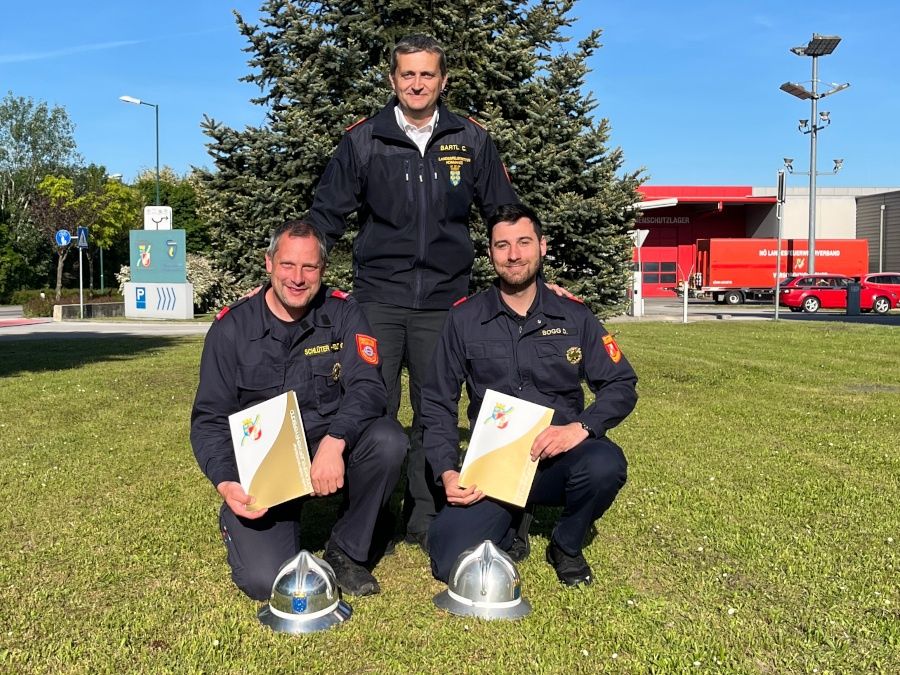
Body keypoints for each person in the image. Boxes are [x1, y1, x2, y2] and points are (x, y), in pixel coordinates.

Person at [308, 34, 518, 549]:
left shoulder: (472, 139)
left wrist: (527, 273)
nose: (417, 84)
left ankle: (425, 516)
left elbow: (504, 213)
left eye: (427, 74)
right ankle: (371, 515)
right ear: (392, 79)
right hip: (378, 299)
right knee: (371, 405)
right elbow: (326, 216)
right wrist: (297, 270)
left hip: (445, 301)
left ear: (443, 80)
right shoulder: (363, 140)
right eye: (408, 74)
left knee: (434, 407)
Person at [422, 203, 638, 586]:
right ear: (490, 252)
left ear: (542, 246)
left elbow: (621, 383)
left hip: (558, 457)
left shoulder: (574, 316)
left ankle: (566, 545)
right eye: (502, 245)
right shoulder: (464, 318)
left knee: (605, 464)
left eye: (523, 242)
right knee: (448, 559)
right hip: (495, 464)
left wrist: (579, 429)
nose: (514, 255)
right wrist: (447, 470)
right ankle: (512, 521)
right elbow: (438, 400)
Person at [190, 220, 406, 599]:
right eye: (287, 265)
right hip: (267, 467)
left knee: (388, 440)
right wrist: (226, 482)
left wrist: (336, 440)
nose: (297, 278)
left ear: (323, 269)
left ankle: (347, 550)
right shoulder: (231, 328)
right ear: (269, 263)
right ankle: (239, 523)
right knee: (267, 581)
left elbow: (369, 387)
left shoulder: (344, 313)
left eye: (309, 267)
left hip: (327, 448)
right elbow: (209, 419)